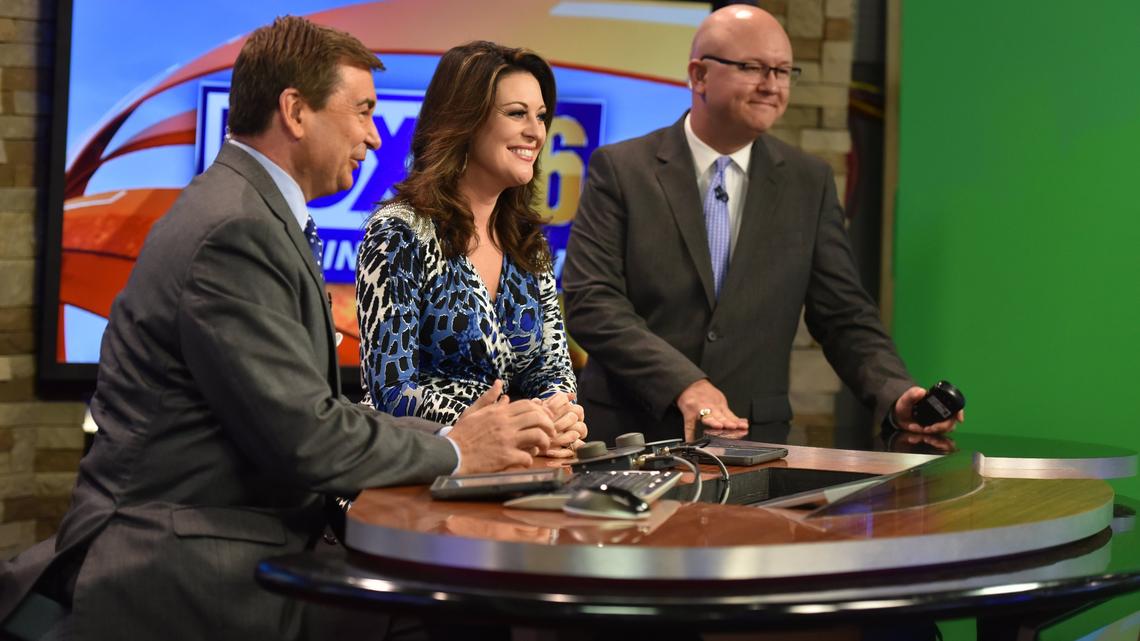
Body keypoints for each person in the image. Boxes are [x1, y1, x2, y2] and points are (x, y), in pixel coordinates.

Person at [0, 17, 555, 641]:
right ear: (295, 111)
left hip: (222, 540)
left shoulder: (248, 210)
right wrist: (457, 449)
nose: (375, 137)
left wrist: (458, 432)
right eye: (364, 111)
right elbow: (307, 437)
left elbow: (312, 411)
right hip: (184, 565)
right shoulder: (235, 230)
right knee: (453, 614)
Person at [562, 4, 963, 445]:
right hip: (629, 434)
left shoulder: (809, 182)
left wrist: (895, 393)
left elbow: (844, 315)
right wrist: (684, 384)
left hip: (752, 442)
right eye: (752, 68)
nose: (771, 85)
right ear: (699, 76)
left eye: (784, 71)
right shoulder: (621, 169)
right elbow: (591, 302)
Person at [356, 41, 586, 458]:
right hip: (418, 466)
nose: (536, 132)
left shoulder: (527, 242)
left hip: (519, 460)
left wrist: (560, 412)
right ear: (466, 121)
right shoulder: (398, 233)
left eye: (541, 116)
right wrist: (509, 419)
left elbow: (552, 370)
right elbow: (391, 391)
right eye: (517, 114)